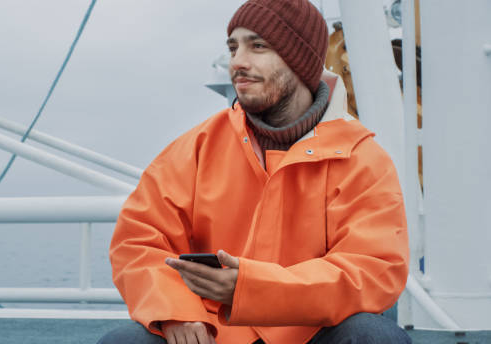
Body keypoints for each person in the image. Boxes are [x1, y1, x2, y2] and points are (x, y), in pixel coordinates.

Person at [98, 0, 411, 343]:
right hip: (214, 333)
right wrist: (176, 314)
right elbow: (139, 242)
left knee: (373, 336)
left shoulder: (362, 159)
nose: (238, 63)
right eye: (233, 47)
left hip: (311, 336)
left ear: (301, 59)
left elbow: (372, 271)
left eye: (258, 46)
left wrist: (251, 288)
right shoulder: (197, 147)